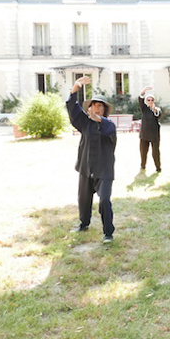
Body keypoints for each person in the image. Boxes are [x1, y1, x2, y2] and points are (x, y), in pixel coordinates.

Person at [66, 76, 117, 243]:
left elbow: (109, 130)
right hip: (86, 168)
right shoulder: (84, 123)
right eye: (94, 105)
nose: (97, 108)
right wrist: (75, 88)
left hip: (104, 171)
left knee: (104, 200)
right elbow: (72, 109)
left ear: (104, 110)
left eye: (100, 106)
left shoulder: (109, 125)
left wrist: (100, 120)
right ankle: (84, 223)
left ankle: (108, 232)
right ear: (90, 108)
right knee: (83, 199)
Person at [138, 86, 162, 172]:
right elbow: (140, 99)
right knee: (143, 151)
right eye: (148, 100)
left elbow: (158, 115)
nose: (150, 101)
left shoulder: (157, 109)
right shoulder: (144, 109)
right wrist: (144, 91)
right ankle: (143, 165)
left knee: (155, 152)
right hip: (144, 134)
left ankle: (158, 167)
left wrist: (154, 110)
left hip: (154, 135)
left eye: (152, 100)